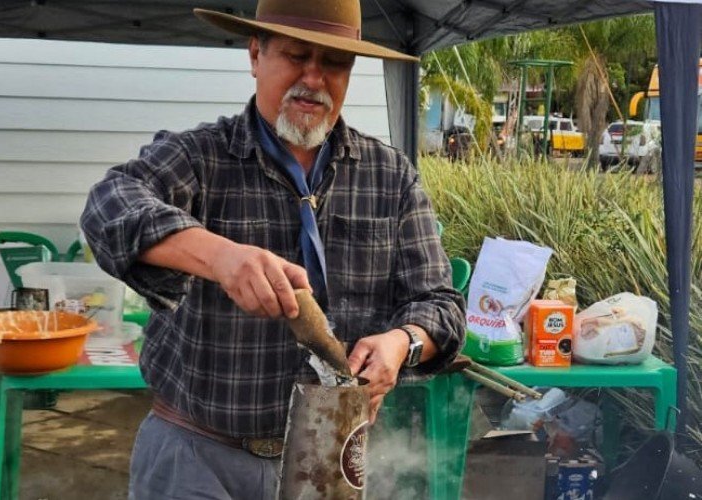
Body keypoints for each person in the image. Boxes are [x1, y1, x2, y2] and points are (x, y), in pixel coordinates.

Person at [80, 0, 465, 498]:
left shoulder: (389, 177)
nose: (314, 78)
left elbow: (441, 305)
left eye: (333, 62)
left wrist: (402, 342)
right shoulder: (199, 156)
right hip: (194, 454)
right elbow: (108, 205)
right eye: (296, 56)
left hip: (330, 453)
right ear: (256, 54)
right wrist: (220, 256)